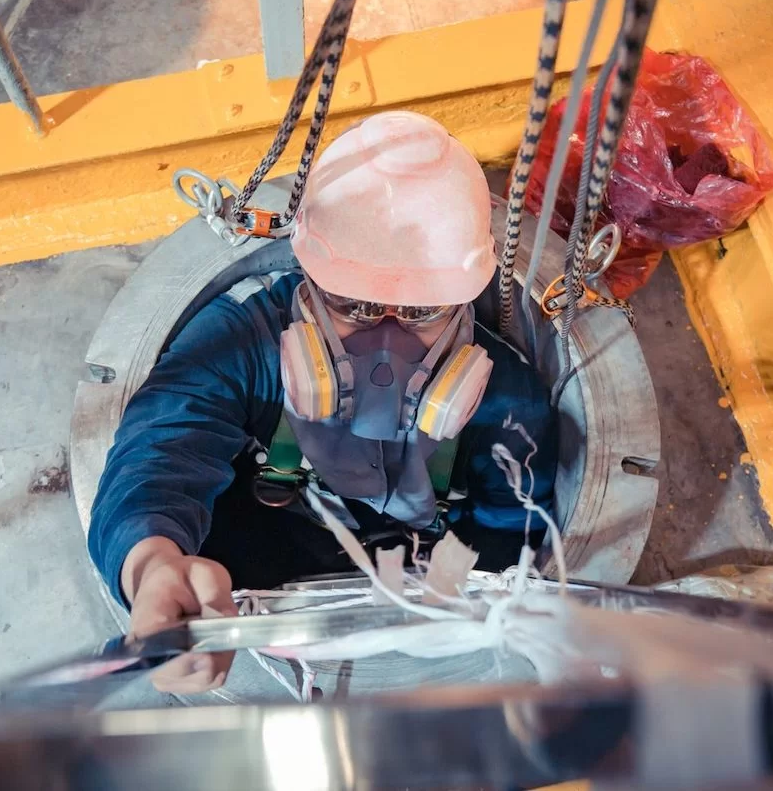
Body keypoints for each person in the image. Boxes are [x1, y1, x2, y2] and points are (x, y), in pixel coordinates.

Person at [89, 111, 558, 693]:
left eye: (420, 311)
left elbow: (510, 538)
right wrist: (151, 563)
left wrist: (455, 620)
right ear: (306, 273)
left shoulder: (507, 406)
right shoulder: (243, 342)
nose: (384, 340)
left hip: (415, 568)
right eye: (351, 304)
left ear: (467, 296)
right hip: (273, 534)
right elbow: (160, 450)